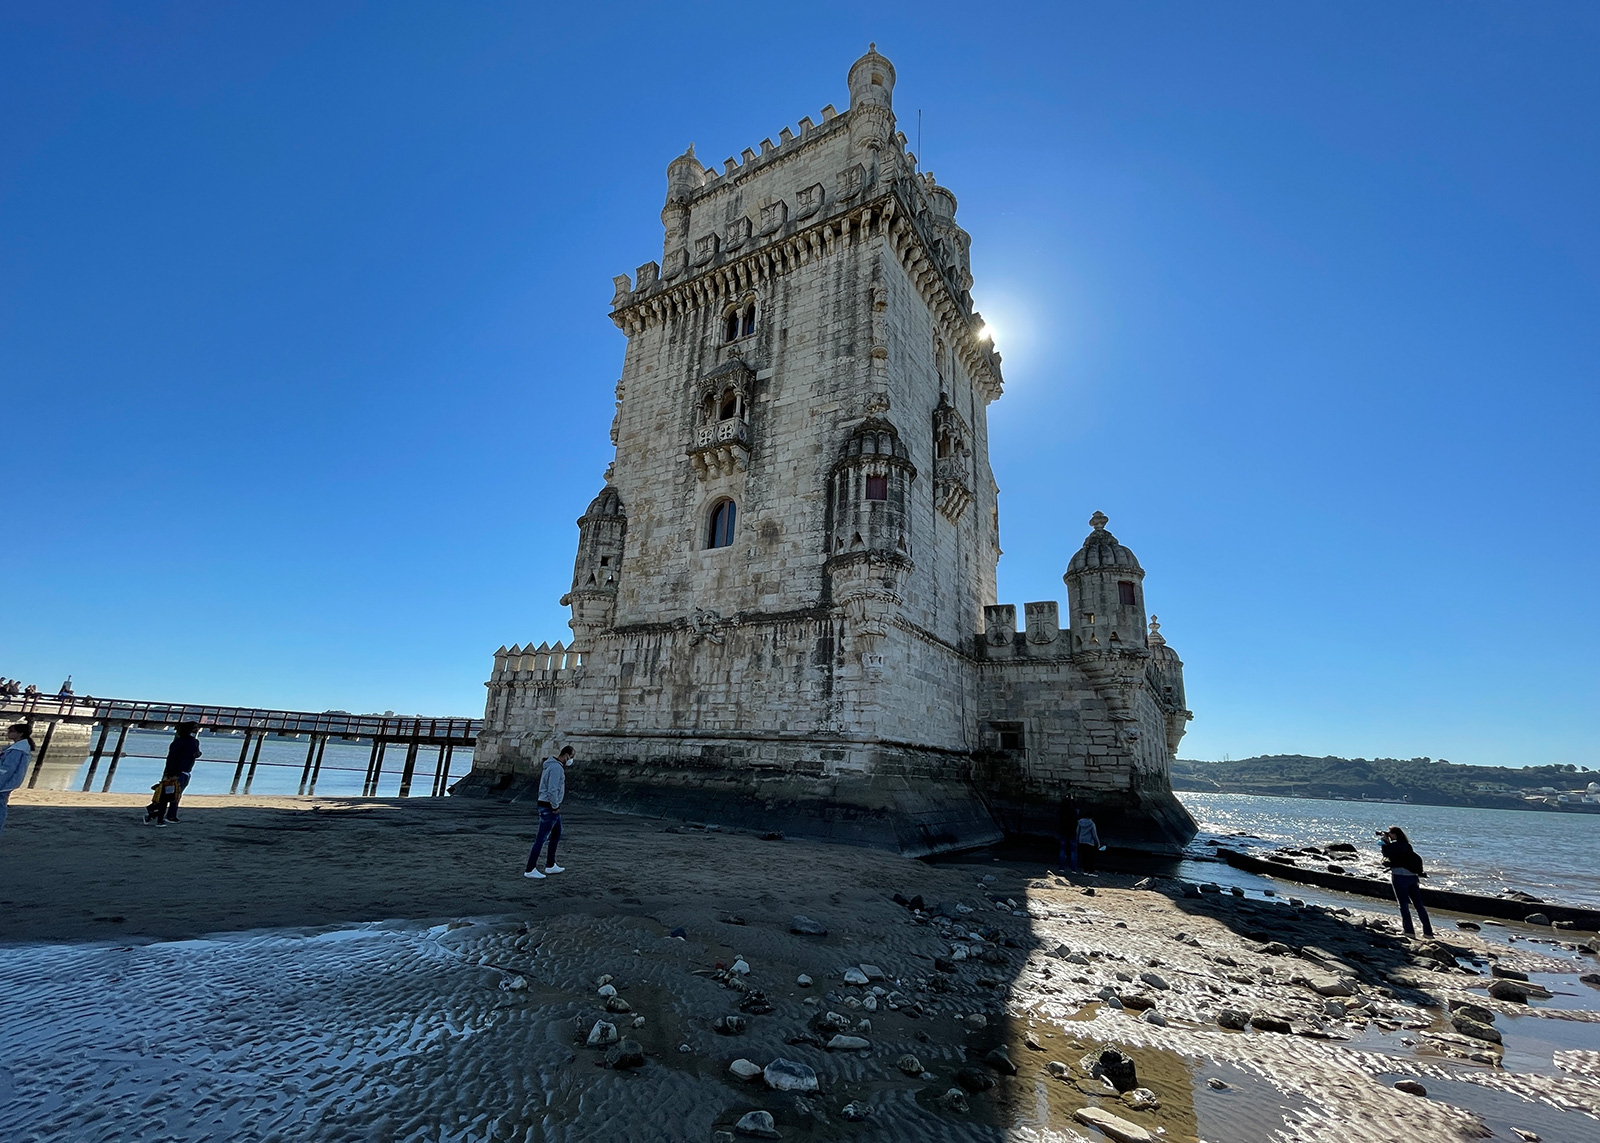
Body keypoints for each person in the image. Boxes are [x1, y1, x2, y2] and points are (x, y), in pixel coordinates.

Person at [523, 745, 573, 879]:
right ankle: (530, 869)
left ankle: (550, 865)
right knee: (541, 838)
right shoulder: (556, 768)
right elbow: (552, 789)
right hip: (549, 807)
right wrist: (555, 806)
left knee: (556, 834)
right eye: (571, 757)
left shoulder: (551, 766)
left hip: (548, 805)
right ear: (566, 755)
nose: (571, 760)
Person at [1380, 826, 1434, 938]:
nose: (1389, 835)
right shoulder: (1407, 845)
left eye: (1390, 833)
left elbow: (1386, 854)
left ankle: (1409, 931)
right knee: (1419, 905)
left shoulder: (1393, 846)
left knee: (1403, 904)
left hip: (1399, 876)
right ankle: (1428, 932)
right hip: (1413, 877)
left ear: (1395, 835)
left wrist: (1385, 842)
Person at [146, 721, 201, 825]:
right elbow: (178, 757)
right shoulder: (191, 742)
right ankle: (165, 813)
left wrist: (168, 772)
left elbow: (171, 758)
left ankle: (162, 812)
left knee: (172, 794)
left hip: (180, 771)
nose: (197, 730)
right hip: (181, 771)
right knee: (173, 795)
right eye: (195, 728)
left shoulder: (180, 742)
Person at [0, 723, 34, 834]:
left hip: (4, 784)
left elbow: (7, 769)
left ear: (20, 734)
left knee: (1, 807)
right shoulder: (18, 747)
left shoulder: (17, 750)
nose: (8, 733)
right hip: (8, 783)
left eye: (11, 731)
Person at [1056, 796, 1081, 873]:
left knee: (1062, 850)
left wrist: (1064, 800)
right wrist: (1073, 800)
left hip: (1063, 832)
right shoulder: (1074, 812)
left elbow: (1060, 808)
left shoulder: (1062, 812)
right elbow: (1078, 809)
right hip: (1072, 833)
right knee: (1073, 851)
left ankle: (1061, 868)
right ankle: (1073, 869)